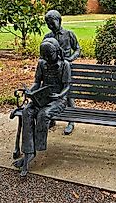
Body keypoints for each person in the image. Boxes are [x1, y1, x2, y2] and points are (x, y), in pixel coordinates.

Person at [14, 38, 71, 177]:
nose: (46, 58)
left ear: (57, 51)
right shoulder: (42, 64)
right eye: (44, 56)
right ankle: (29, 152)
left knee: (43, 114)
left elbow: (67, 86)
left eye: (49, 55)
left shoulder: (65, 65)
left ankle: (38, 148)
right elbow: (36, 82)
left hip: (58, 100)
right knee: (27, 111)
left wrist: (59, 95)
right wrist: (31, 92)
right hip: (42, 97)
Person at [44, 10, 81, 135]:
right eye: (48, 24)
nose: (50, 26)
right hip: (53, 70)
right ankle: (52, 118)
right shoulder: (47, 37)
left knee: (68, 94)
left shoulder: (69, 34)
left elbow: (77, 49)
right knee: (51, 93)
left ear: (59, 20)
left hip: (66, 68)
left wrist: (71, 58)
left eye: (52, 23)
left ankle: (71, 121)